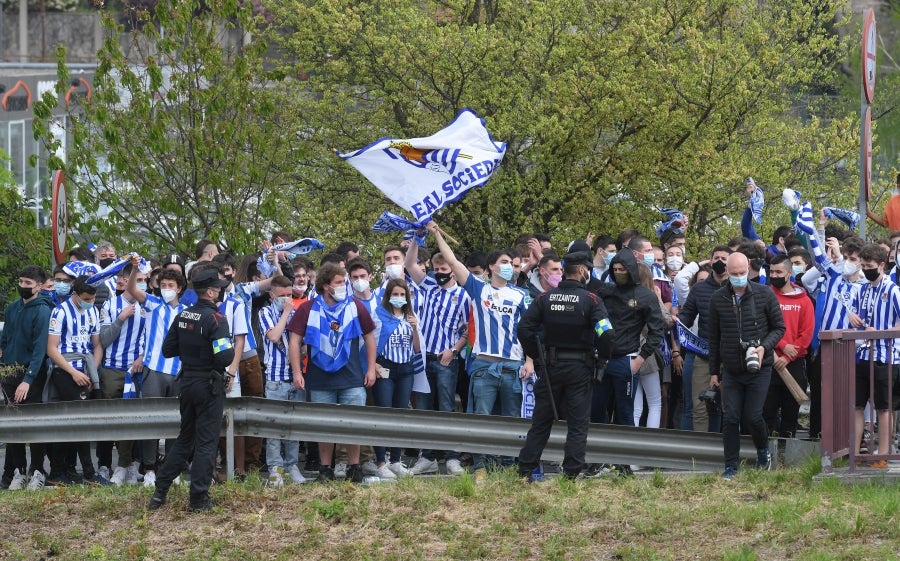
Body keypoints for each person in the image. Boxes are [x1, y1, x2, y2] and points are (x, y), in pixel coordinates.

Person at [427, 220, 533, 482]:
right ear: (491, 267)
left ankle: (509, 465)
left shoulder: (522, 295)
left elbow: (531, 331)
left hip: (512, 367)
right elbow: (452, 261)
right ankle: (481, 466)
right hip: (485, 367)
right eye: (504, 262)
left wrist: (530, 360)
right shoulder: (478, 288)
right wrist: (437, 233)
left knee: (510, 420)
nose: (509, 267)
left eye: (512, 263)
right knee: (481, 420)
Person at [516, 250, 613, 480]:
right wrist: (603, 358)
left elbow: (524, 329)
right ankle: (570, 475)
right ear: (581, 270)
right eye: (587, 269)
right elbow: (606, 334)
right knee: (578, 424)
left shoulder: (545, 298)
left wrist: (537, 356)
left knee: (541, 422)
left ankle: (525, 470)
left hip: (550, 367)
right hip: (580, 368)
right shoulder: (591, 300)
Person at [148, 268, 235, 512]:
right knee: (206, 443)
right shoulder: (217, 320)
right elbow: (226, 357)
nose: (220, 291)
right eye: (217, 288)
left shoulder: (184, 315)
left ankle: (160, 491)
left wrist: (192, 350)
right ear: (209, 292)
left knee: (185, 440)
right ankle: (198, 498)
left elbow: (168, 350)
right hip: (208, 386)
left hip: (186, 383)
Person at [286, 262, 378, 483]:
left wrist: (371, 368)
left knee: (353, 424)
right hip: (319, 378)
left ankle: (354, 468)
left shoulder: (355, 305)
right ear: (326, 286)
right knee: (323, 425)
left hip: (352, 376)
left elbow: (369, 337)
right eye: (339, 282)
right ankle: (325, 469)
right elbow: (294, 341)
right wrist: (298, 371)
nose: (344, 286)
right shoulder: (308, 308)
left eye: (344, 282)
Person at [708, 253, 785, 480]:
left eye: (742, 273)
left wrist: (763, 348)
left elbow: (779, 328)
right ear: (727, 272)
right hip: (731, 368)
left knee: (752, 416)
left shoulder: (764, 293)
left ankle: (763, 453)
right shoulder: (718, 299)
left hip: (759, 367)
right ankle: (731, 465)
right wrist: (714, 371)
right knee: (730, 417)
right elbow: (714, 338)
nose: (739, 277)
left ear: (749, 268)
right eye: (734, 274)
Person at [403, 242, 471, 476]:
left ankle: (451, 457)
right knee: (424, 408)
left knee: (446, 408)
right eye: (436, 268)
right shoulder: (428, 285)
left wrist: (454, 349)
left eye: (443, 269)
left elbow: (467, 329)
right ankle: (428, 456)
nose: (439, 273)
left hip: (446, 358)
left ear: (452, 270)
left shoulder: (463, 295)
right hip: (424, 356)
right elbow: (410, 264)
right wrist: (415, 239)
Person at [126, 255, 188, 488]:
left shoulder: (187, 311)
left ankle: (172, 469)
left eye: (170, 286)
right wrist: (134, 269)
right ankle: (149, 468)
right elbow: (132, 289)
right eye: (163, 286)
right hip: (153, 369)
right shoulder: (152, 304)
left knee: (176, 422)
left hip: (178, 372)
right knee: (151, 420)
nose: (166, 289)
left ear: (179, 288)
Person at [45, 276, 106, 486]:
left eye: (93, 297)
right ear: (75, 294)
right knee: (79, 421)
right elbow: (52, 348)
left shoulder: (93, 311)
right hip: (66, 369)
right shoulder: (60, 311)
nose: (90, 301)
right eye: (87, 298)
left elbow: (97, 344)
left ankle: (60, 471)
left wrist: (92, 372)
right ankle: (88, 473)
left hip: (86, 369)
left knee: (74, 422)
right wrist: (73, 372)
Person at [0, 265, 53, 490]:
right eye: (21, 282)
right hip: (9, 371)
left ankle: (37, 470)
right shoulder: (12, 308)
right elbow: (5, 339)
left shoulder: (43, 310)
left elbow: (40, 349)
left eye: (28, 283)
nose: (23, 286)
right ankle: (18, 471)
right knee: (14, 425)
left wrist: (28, 379)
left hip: (31, 373)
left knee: (32, 424)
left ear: (39, 286)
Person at [848, 243, 900, 467]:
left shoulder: (893, 290)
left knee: (883, 406)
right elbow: (859, 319)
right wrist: (853, 319)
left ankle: (883, 454)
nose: (865, 269)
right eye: (863, 265)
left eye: (869, 266)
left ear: (881, 265)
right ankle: (857, 453)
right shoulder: (862, 289)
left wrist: (880, 333)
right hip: (862, 354)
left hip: (885, 356)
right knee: (857, 404)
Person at [97, 263, 147, 486]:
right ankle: (105, 465)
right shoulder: (109, 304)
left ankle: (125, 466)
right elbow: (104, 339)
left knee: (133, 420)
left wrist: (143, 357)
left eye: (145, 280)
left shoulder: (149, 305)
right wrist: (121, 318)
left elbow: (156, 337)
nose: (143, 284)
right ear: (127, 281)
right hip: (112, 369)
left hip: (136, 371)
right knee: (109, 421)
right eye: (140, 280)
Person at [676, 246, 732, 432]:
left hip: (730, 356)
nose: (720, 262)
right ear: (710, 260)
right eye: (716, 257)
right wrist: (676, 323)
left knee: (727, 406)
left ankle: (725, 451)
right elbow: (687, 317)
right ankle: (698, 457)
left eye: (725, 258)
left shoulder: (738, 287)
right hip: (703, 354)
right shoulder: (699, 289)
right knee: (700, 405)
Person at [258, 275, 308, 485]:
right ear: (272, 295)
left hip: (295, 376)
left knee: (293, 426)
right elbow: (274, 336)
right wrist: (286, 312)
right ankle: (275, 468)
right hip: (275, 378)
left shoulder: (298, 312)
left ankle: (292, 465)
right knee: (274, 426)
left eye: (290, 295)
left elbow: (304, 343)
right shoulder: (265, 312)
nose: (287, 299)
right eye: (282, 296)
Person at [370, 278, 421, 479]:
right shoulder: (379, 315)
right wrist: (372, 363)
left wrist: (416, 328)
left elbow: (417, 348)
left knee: (401, 414)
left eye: (402, 294)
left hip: (405, 369)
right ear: (388, 296)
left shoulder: (410, 316)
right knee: (383, 413)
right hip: (385, 367)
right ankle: (381, 461)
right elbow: (370, 341)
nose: (399, 298)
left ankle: (396, 461)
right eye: (395, 294)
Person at [763, 255, 814, 439]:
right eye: (772, 271)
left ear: (789, 273)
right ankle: (767, 454)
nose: (774, 275)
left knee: (790, 413)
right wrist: (783, 346)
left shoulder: (804, 300)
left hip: (794, 363)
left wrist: (788, 357)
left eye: (779, 272)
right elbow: (762, 327)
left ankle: (786, 455)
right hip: (769, 360)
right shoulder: (765, 296)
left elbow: (807, 334)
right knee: (767, 411)